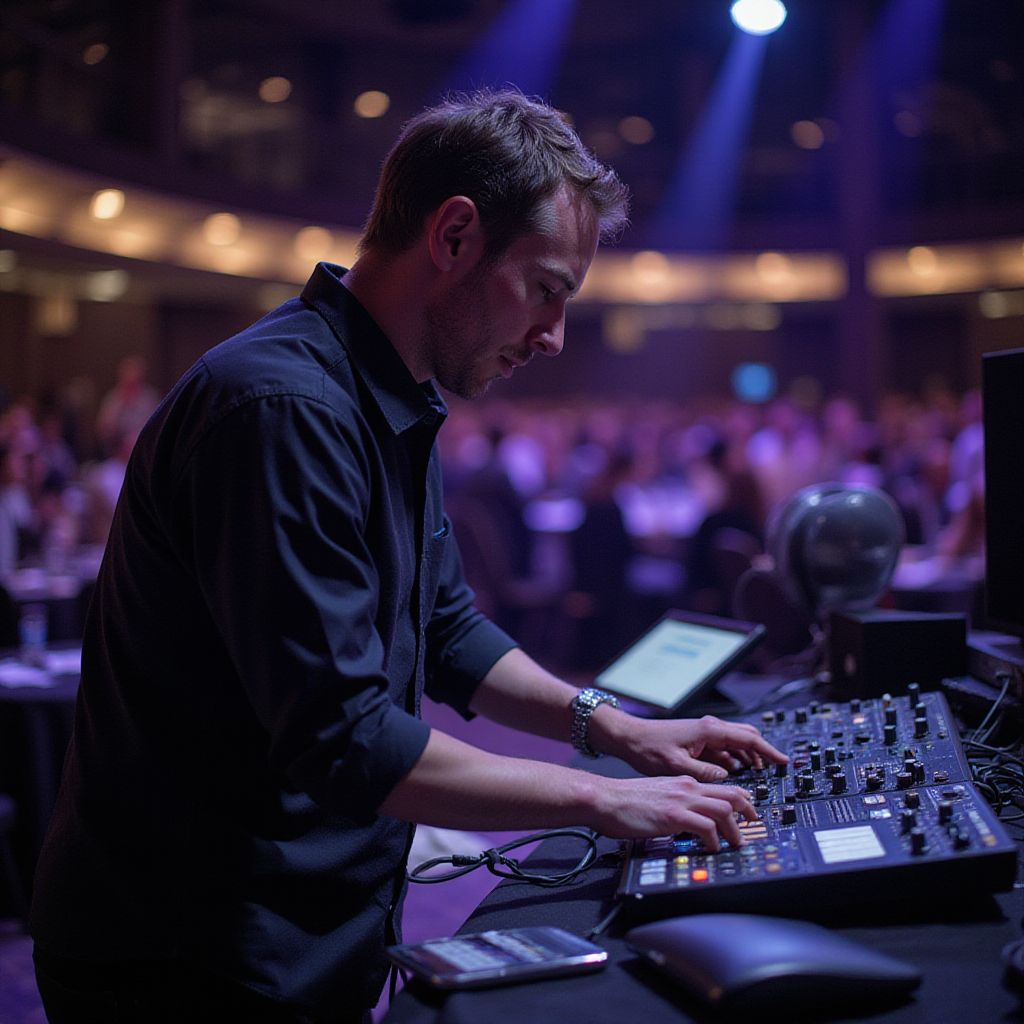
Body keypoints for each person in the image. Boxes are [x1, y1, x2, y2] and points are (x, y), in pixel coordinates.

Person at [29, 90, 786, 1024]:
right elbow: (344, 740)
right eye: (547, 289)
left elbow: (449, 628)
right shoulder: (282, 410)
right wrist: (602, 799)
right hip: (191, 950)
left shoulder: (388, 393)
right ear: (456, 235)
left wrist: (617, 727)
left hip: (291, 928)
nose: (553, 337)